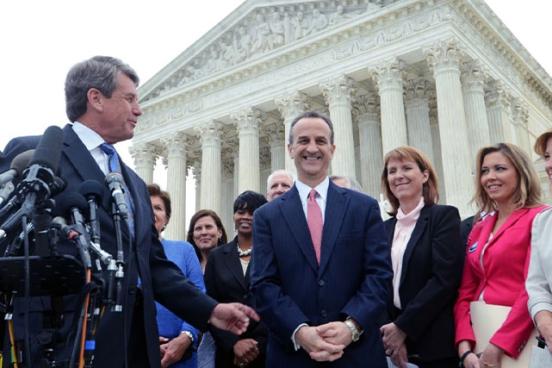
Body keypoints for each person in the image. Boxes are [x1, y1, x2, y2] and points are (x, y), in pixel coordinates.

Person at [4, 56, 258, 368]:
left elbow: (153, 265)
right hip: (61, 340)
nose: (138, 109)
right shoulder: (36, 154)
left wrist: (210, 310)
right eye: (129, 99)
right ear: (95, 98)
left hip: (135, 344)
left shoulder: (134, 184)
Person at [250, 111, 392, 367]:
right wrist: (300, 331)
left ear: (332, 148)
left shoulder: (364, 207)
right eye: (303, 141)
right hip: (292, 356)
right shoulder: (266, 216)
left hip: (357, 354)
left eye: (320, 141)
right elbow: (263, 284)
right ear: (290, 148)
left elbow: (379, 275)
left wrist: (352, 325)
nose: (312, 148)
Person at [454, 143, 545, 368]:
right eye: (485, 171)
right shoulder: (479, 227)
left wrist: (499, 345)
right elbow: (466, 291)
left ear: (520, 172)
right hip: (478, 342)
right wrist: (464, 347)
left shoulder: (539, 218)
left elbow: (532, 289)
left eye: (500, 169)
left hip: (519, 341)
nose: (490, 177)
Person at [380, 146, 464, 368]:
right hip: (392, 345)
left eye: (407, 168)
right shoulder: (383, 229)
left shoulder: (443, 217)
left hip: (433, 344)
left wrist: (403, 328)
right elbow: (377, 282)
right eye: (392, 171)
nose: (398, 176)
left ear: (424, 175)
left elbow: (444, 280)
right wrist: (391, 333)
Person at [205, 191, 268, 367]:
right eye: (241, 212)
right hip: (228, 354)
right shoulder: (217, 257)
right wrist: (233, 343)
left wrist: (257, 344)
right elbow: (211, 304)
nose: (246, 217)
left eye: (253, 213)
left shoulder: (273, 254)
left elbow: (279, 299)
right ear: (234, 216)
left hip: (267, 350)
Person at [148, 184, 204, 368]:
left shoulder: (184, 250)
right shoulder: (125, 253)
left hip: (182, 354)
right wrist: (144, 338)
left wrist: (186, 337)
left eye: (158, 208)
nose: (152, 212)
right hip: (138, 350)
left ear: (167, 218)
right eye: (146, 207)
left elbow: (198, 295)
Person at [185, 209, 228, 368]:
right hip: (188, 337)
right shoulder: (185, 265)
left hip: (221, 338)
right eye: (198, 228)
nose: (204, 232)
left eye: (208, 227)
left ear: (220, 232)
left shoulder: (231, 263)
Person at [527, 131, 552, 352]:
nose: (549, 165)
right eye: (547, 157)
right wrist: (543, 318)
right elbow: (536, 284)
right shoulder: (543, 222)